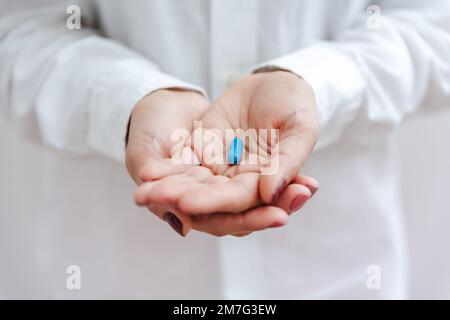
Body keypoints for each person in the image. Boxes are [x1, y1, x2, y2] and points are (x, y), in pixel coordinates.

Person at [0, 0, 449, 299]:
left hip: (341, 276)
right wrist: (129, 100)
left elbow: (435, 25)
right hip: (116, 277)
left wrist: (318, 83)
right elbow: (19, 28)